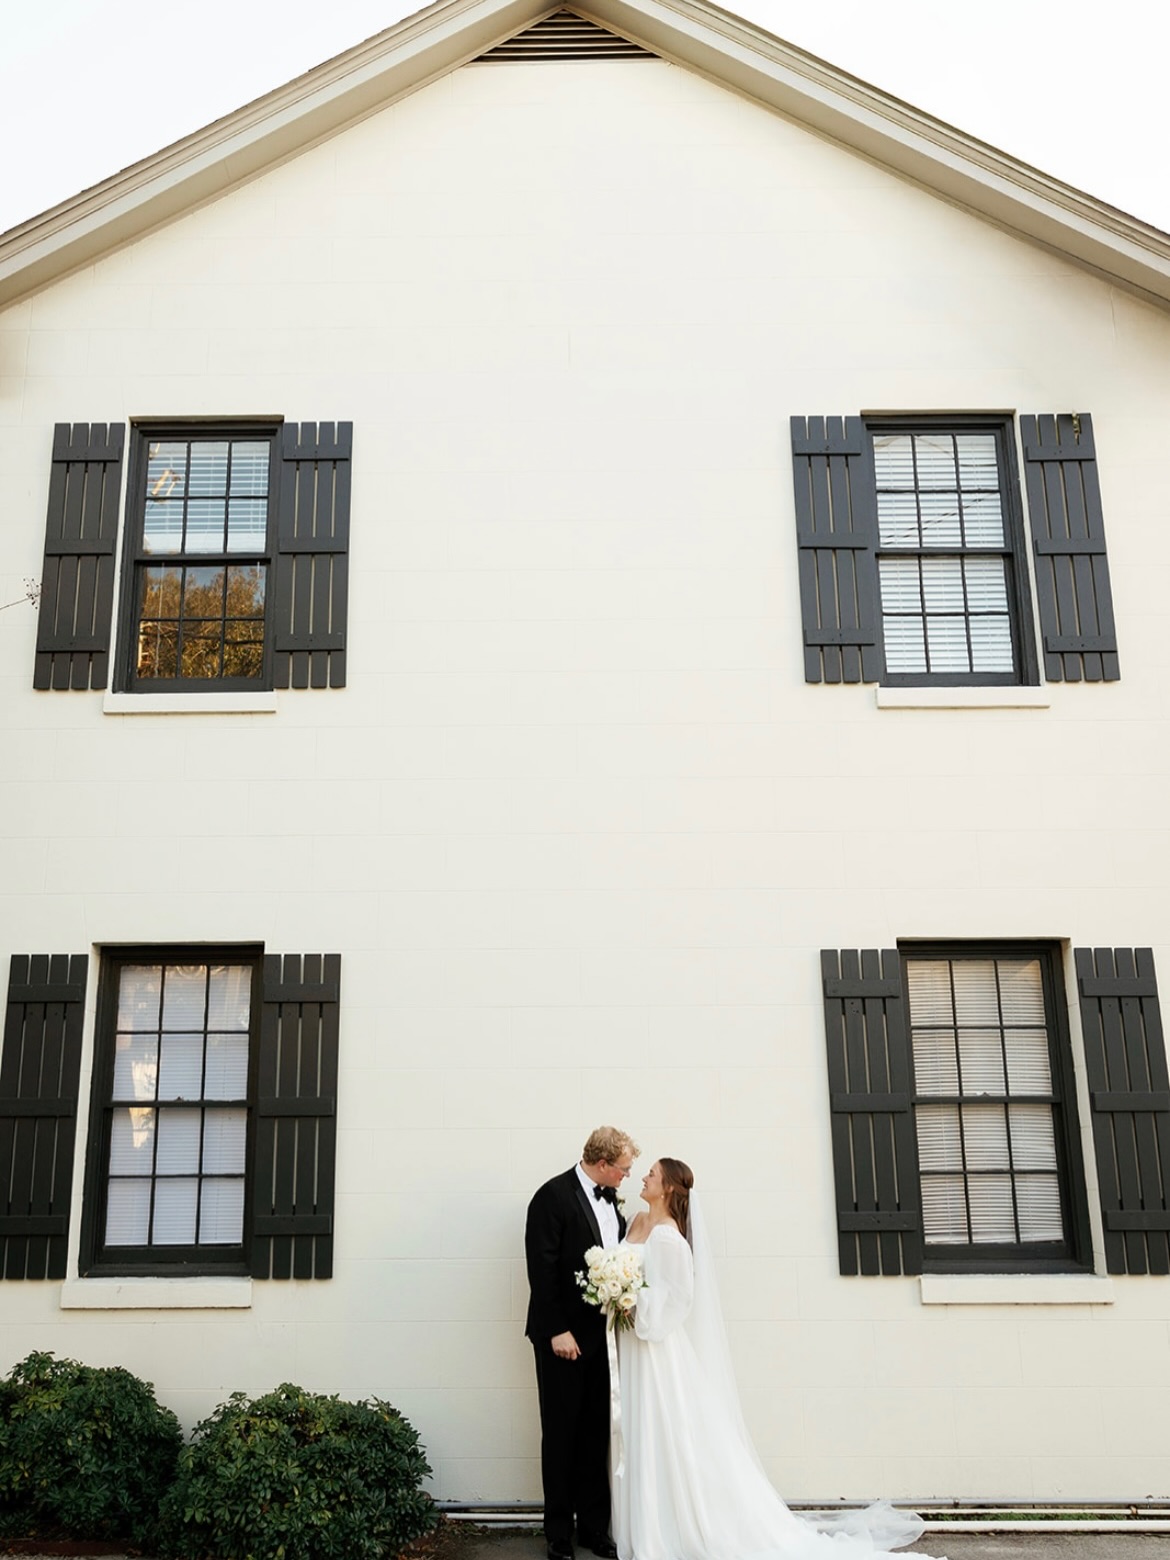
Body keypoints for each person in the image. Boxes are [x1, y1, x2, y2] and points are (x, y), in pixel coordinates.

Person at [614, 1158, 932, 1560]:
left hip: (655, 1350)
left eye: (652, 1174)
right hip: (631, 1345)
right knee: (639, 1429)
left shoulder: (669, 1238)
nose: (644, 1176)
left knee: (662, 1428)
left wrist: (631, 1303)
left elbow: (678, 1299)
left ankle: (673, 1527)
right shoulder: (635, 1222)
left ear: (670, 1189)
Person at [525, 1126, 640, 1560]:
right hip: (562, 1339)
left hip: (601, 1340)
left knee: (595, 1434)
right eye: (624, 1169)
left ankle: (594, 1527)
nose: (627, 1176)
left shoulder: (614, 1203)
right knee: (560, 1434)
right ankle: (557, 1532)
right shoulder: (551, 1197)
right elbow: (542, 1267)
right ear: (603, 1164)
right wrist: (557, 1330)